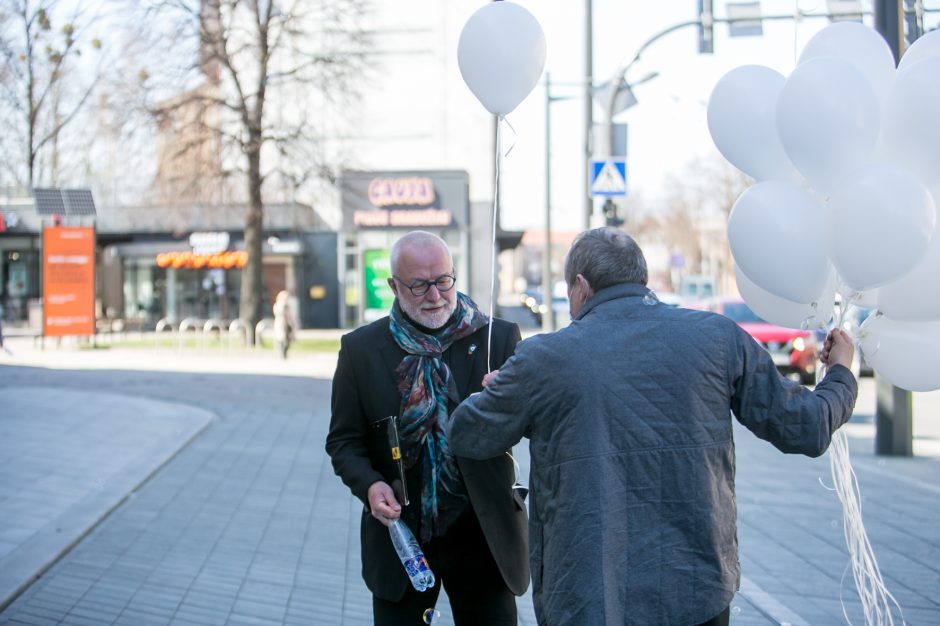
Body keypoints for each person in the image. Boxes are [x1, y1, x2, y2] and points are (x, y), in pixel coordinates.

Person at [446, 227, 858, 626]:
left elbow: (467, 434)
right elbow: (807, 427)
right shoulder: (718, 337)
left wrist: (495, 392)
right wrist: (839, 371)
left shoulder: (544, 358)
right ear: (641, 279)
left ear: (581, 285)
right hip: (697, 589)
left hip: (586, 592)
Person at [325, 231, 529, 625]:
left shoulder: (497, 339)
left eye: (443, 281)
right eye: (419, 286)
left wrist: (506, 404)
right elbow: (343, 441)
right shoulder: (361, 350)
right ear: (394, 286)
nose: (435, 295)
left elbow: (526, 426)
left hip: (484, 533)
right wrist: (369, 485)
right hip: (402, 537)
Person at [272, 290, 296, 359]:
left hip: (288, 325)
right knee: (281, 339)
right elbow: (278, 313)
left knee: (288, 340)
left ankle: (285, 352)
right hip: (280, 325)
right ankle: (282, 353)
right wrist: (282, 305)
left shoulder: (288, 306)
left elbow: (291, 316)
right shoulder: (278, 305)